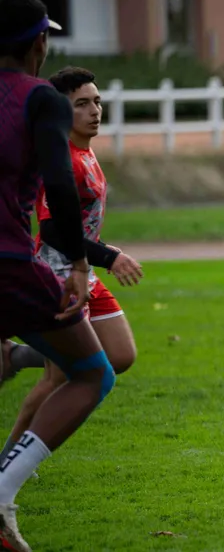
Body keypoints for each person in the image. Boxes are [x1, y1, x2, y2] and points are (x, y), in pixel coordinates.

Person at [0, 0, 116, 552]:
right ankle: (2, 490)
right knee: (93, 373)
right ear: (39, 42)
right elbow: (59, 186)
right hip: (11, 264)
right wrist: (79, 262)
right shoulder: (39, 98)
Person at [0, 66, 143, 463]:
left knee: (120, 355)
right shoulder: (62, 157)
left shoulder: (86, 152)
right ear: (62, 111)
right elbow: (53, 232)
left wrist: (101, 253)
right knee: (60, 376)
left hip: (84, 271)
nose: (94, 110)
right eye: (81, 104)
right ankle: (9, 462)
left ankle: (16, 357)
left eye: (97, 101)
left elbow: (79, 226)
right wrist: (109, 256)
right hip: (58, 275)